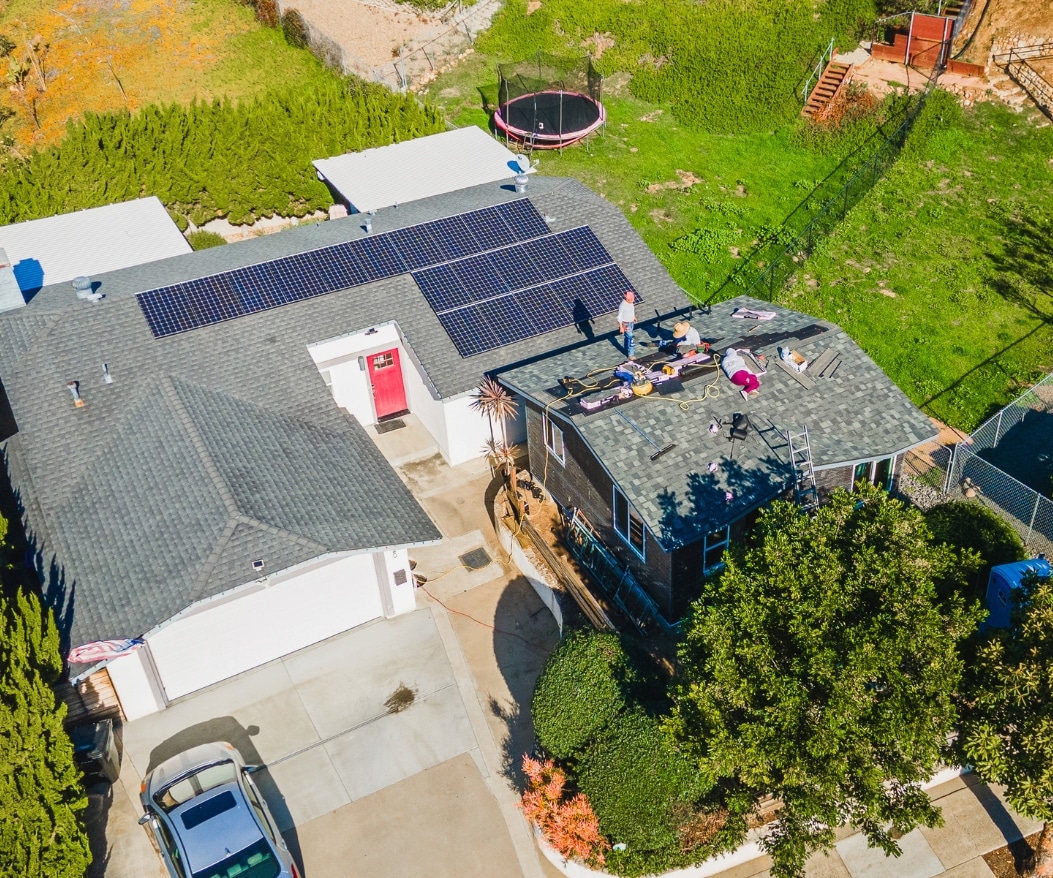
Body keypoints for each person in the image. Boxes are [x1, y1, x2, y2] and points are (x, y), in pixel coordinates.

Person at [617, 290, 636, 358]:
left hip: (631, 323)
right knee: (630, 338)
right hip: (626, 324)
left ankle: (626, 348)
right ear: (627, 299)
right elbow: (619, 317)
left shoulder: (631, 303)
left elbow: (631, 311)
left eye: (633, 299)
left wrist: (634, 317)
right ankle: (631, 354)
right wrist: (621, 327)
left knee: (627, 337)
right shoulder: (623, 305)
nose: (632, 300)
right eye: (631, 299)